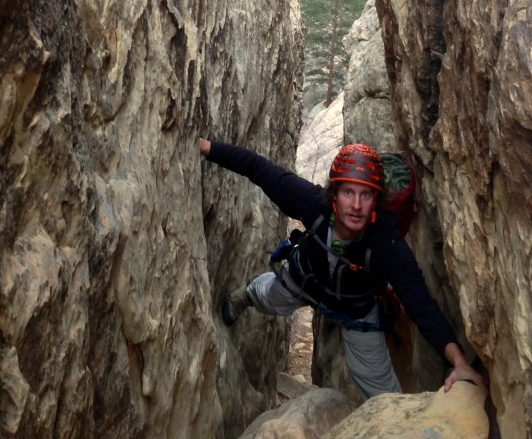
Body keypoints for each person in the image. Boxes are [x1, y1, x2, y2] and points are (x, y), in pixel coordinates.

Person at [199, 137, 484, 400]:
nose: (356, 205)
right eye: (348, 192)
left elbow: (420, 303)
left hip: (355, 310)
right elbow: (258, 168)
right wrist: (207, 148)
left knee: (384, 397)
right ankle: (246, 295)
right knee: (267, 297)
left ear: (377, 200)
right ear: (334, 194)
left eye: (366, 195)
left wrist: (458, 362)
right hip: (304, 280)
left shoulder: (387, 242)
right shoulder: (314, 204)